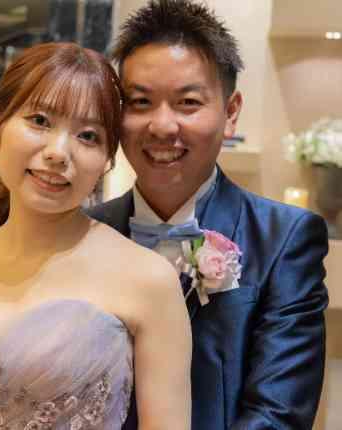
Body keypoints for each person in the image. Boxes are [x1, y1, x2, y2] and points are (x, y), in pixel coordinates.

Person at [0, 42, 192, 430]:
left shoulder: (148, 280)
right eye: (40, 120)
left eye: (88, 136)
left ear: (107, 161)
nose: (59, 153)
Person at [88, 1, 329, 429]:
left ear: (230, 112)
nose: (162, 126)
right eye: (140, 102)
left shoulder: (285, 239)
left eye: (187, 102)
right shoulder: (84, 235)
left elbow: (278, 415)